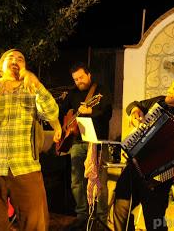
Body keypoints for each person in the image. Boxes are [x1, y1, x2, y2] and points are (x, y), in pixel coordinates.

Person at [0, 49, 62, 230]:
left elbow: (52, 113)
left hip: (26, 166)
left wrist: (39, 86)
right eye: (10, 58)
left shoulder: (33, 92)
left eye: (20, 59)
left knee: (35, 224)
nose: (16, 60)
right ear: (0, 68)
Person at [113, 75, 174, 231]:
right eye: (171, 86)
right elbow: (135, 105)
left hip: (157, 179)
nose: (169, 90)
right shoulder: (160, 102)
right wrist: (135, 110)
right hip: (134, 165)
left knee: (155, 222)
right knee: (120, 209)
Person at [59, 62, 112, 228]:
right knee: (77, 182)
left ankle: (101, 218)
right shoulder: (73, 94)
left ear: (89, 75)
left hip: (97, 143)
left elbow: (107, 113)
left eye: (81, 77)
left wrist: (91, 112)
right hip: (76, 142)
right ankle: (82, 215)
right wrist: (60, 127)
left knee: (100, 182)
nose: (79, 81)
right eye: (75, 79)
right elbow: (61, 111)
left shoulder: (101, 91)